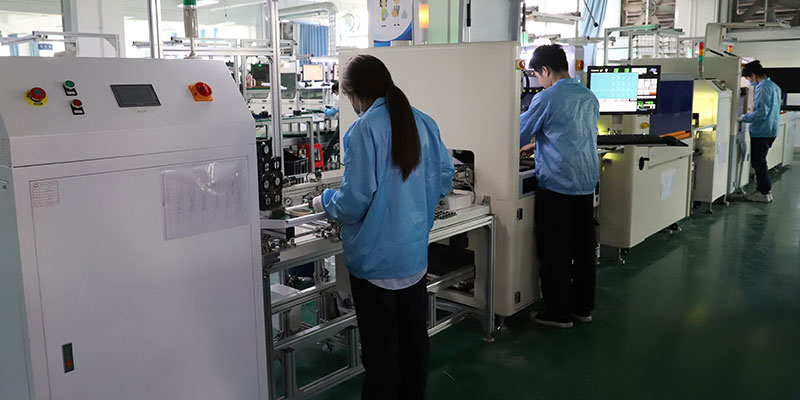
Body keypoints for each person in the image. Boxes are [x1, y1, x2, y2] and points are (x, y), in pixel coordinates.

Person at [312, 54, 454, 400]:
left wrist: (324, 202)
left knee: (381, 354)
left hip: (375, 262)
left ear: (353, 94)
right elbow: (445, 178)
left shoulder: (364, 129)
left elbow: (354, 200)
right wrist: (414, 202)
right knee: (414, 344)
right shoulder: (424, 121)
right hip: (413, 257)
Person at [519, 45, 599, 329]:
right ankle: (582, 308)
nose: (538, 81)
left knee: (555, 252)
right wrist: (538, 144)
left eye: (537, 75)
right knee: (583, 249)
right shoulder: (588, 96)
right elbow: (571, 134)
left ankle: (557, 313)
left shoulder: (546, 97)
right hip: (585, 182)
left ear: (545, 70)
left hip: (557, 184)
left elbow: (517, 134)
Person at [739, 60, 782, 203]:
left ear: (753, 75)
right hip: (771, 130)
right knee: (761, 161)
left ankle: (764, 192)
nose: (749, 82)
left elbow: (761, 113)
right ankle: (765, 191)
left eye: (748, 78)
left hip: (761, 131)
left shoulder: (762, 88)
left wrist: (744, 118)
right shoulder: (774, 86)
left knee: (758, 162)